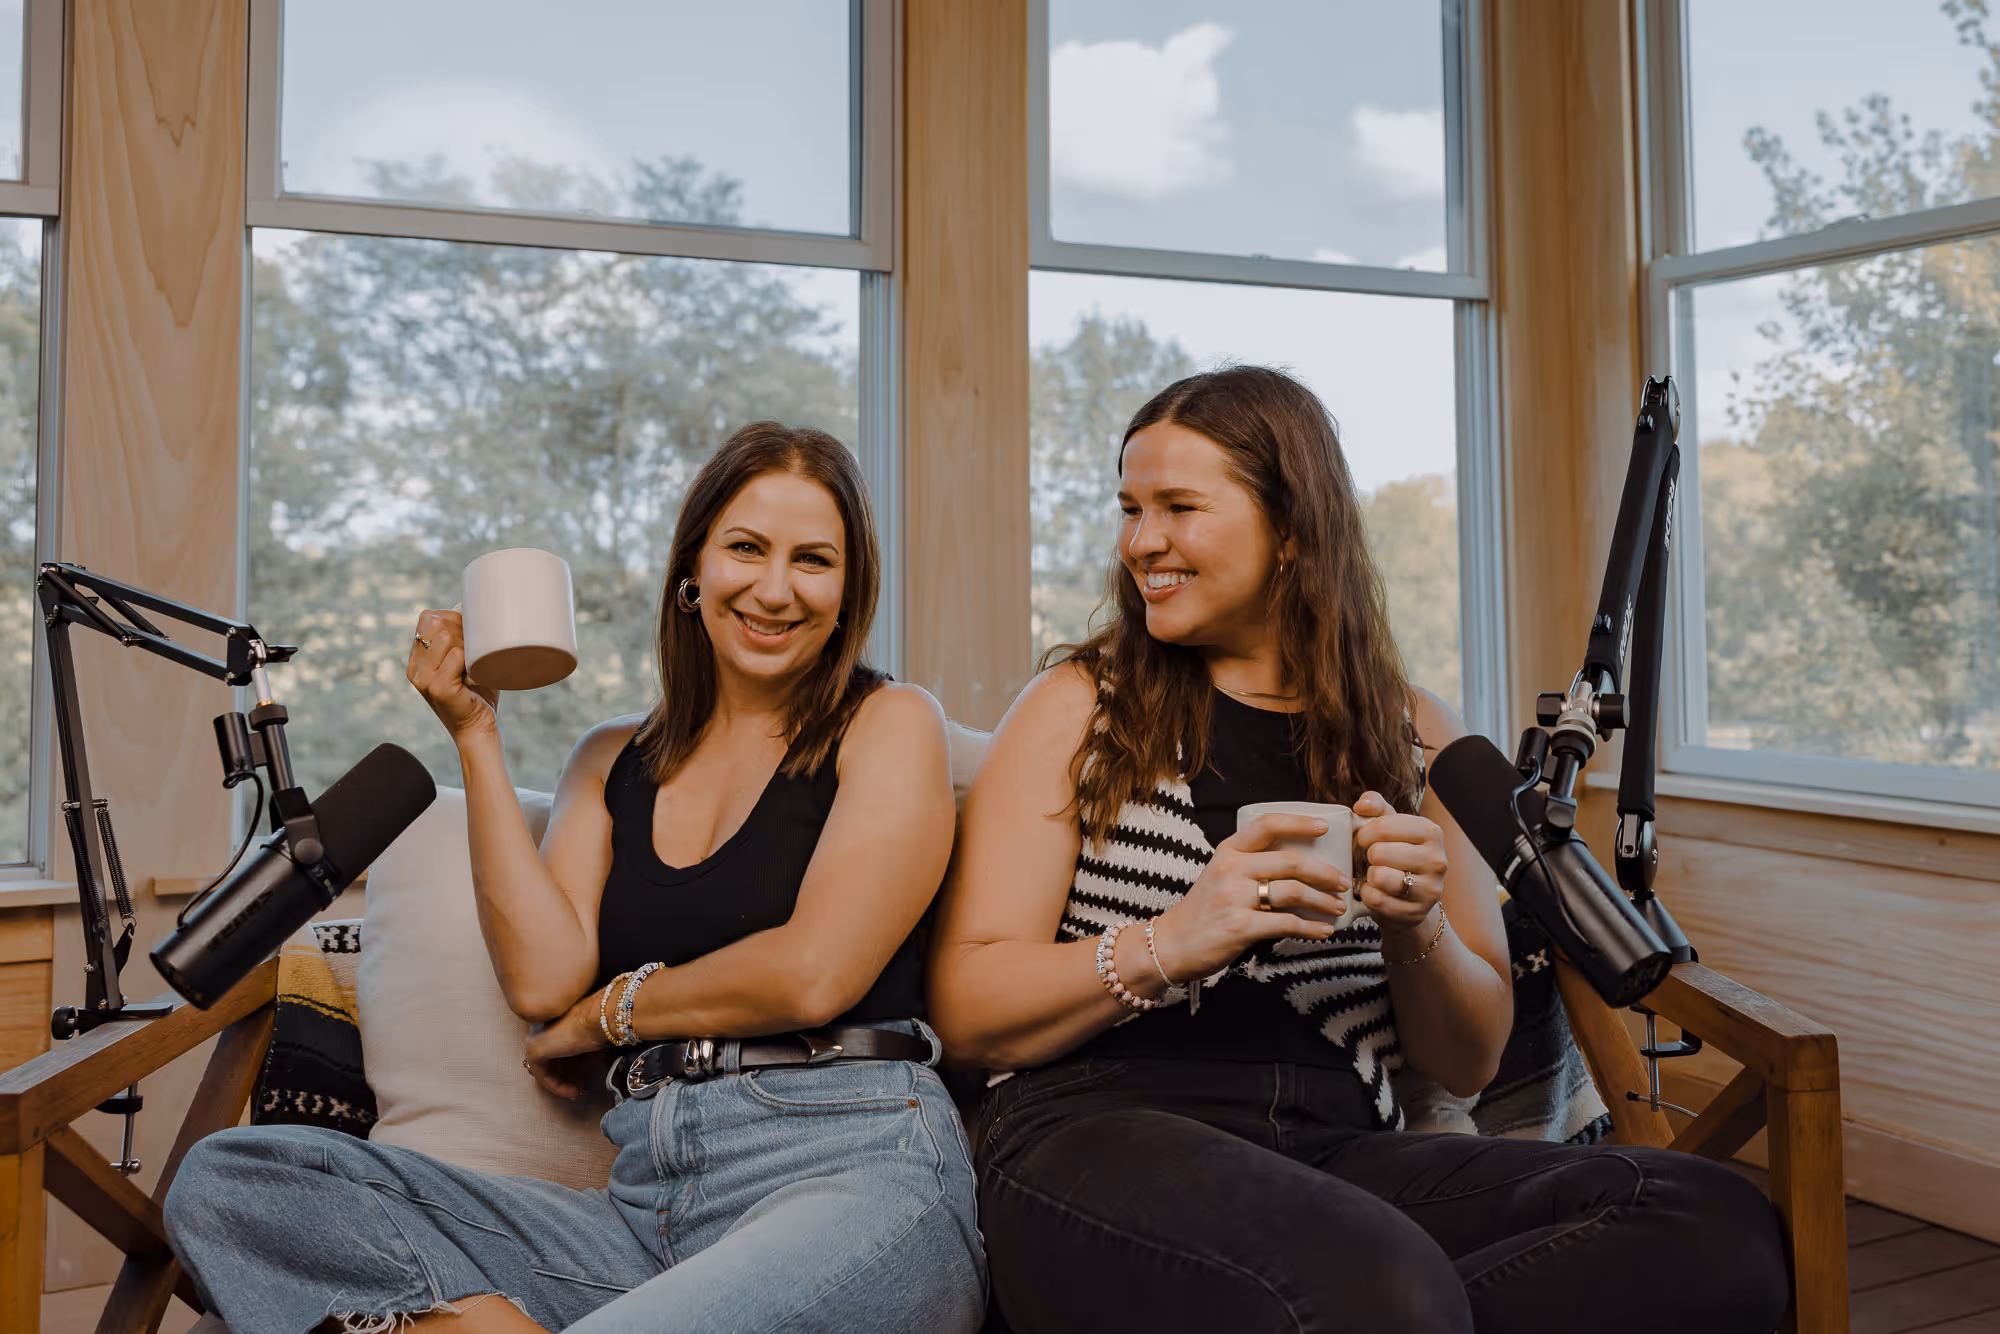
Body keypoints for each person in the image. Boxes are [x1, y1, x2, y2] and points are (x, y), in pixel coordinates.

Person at [927, 367, 1788, 1334]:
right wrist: (1177, 938)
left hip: (1341, 1149)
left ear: (1293, 529)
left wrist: (1415, 927)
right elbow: (967, 1010)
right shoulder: (1080, 707)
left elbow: (1466, 1062)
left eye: (1178, 507)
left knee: (1711, 1226)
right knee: (1380, 1285)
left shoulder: (1414, 734)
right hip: (1096, 1133)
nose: (1140, 542)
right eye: (1130, 509)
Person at [165, 423, 986, 1334]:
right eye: (747, 548)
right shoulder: (608, 760)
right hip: (644, 1216)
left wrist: (607, 1016)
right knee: (233, 1183)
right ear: (693, 568)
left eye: (814, 560)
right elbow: (542, 979)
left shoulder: (890, 722)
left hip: (855, 1168)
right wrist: (476, 733)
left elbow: (814, 974)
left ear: (849, 589)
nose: (775, 588)